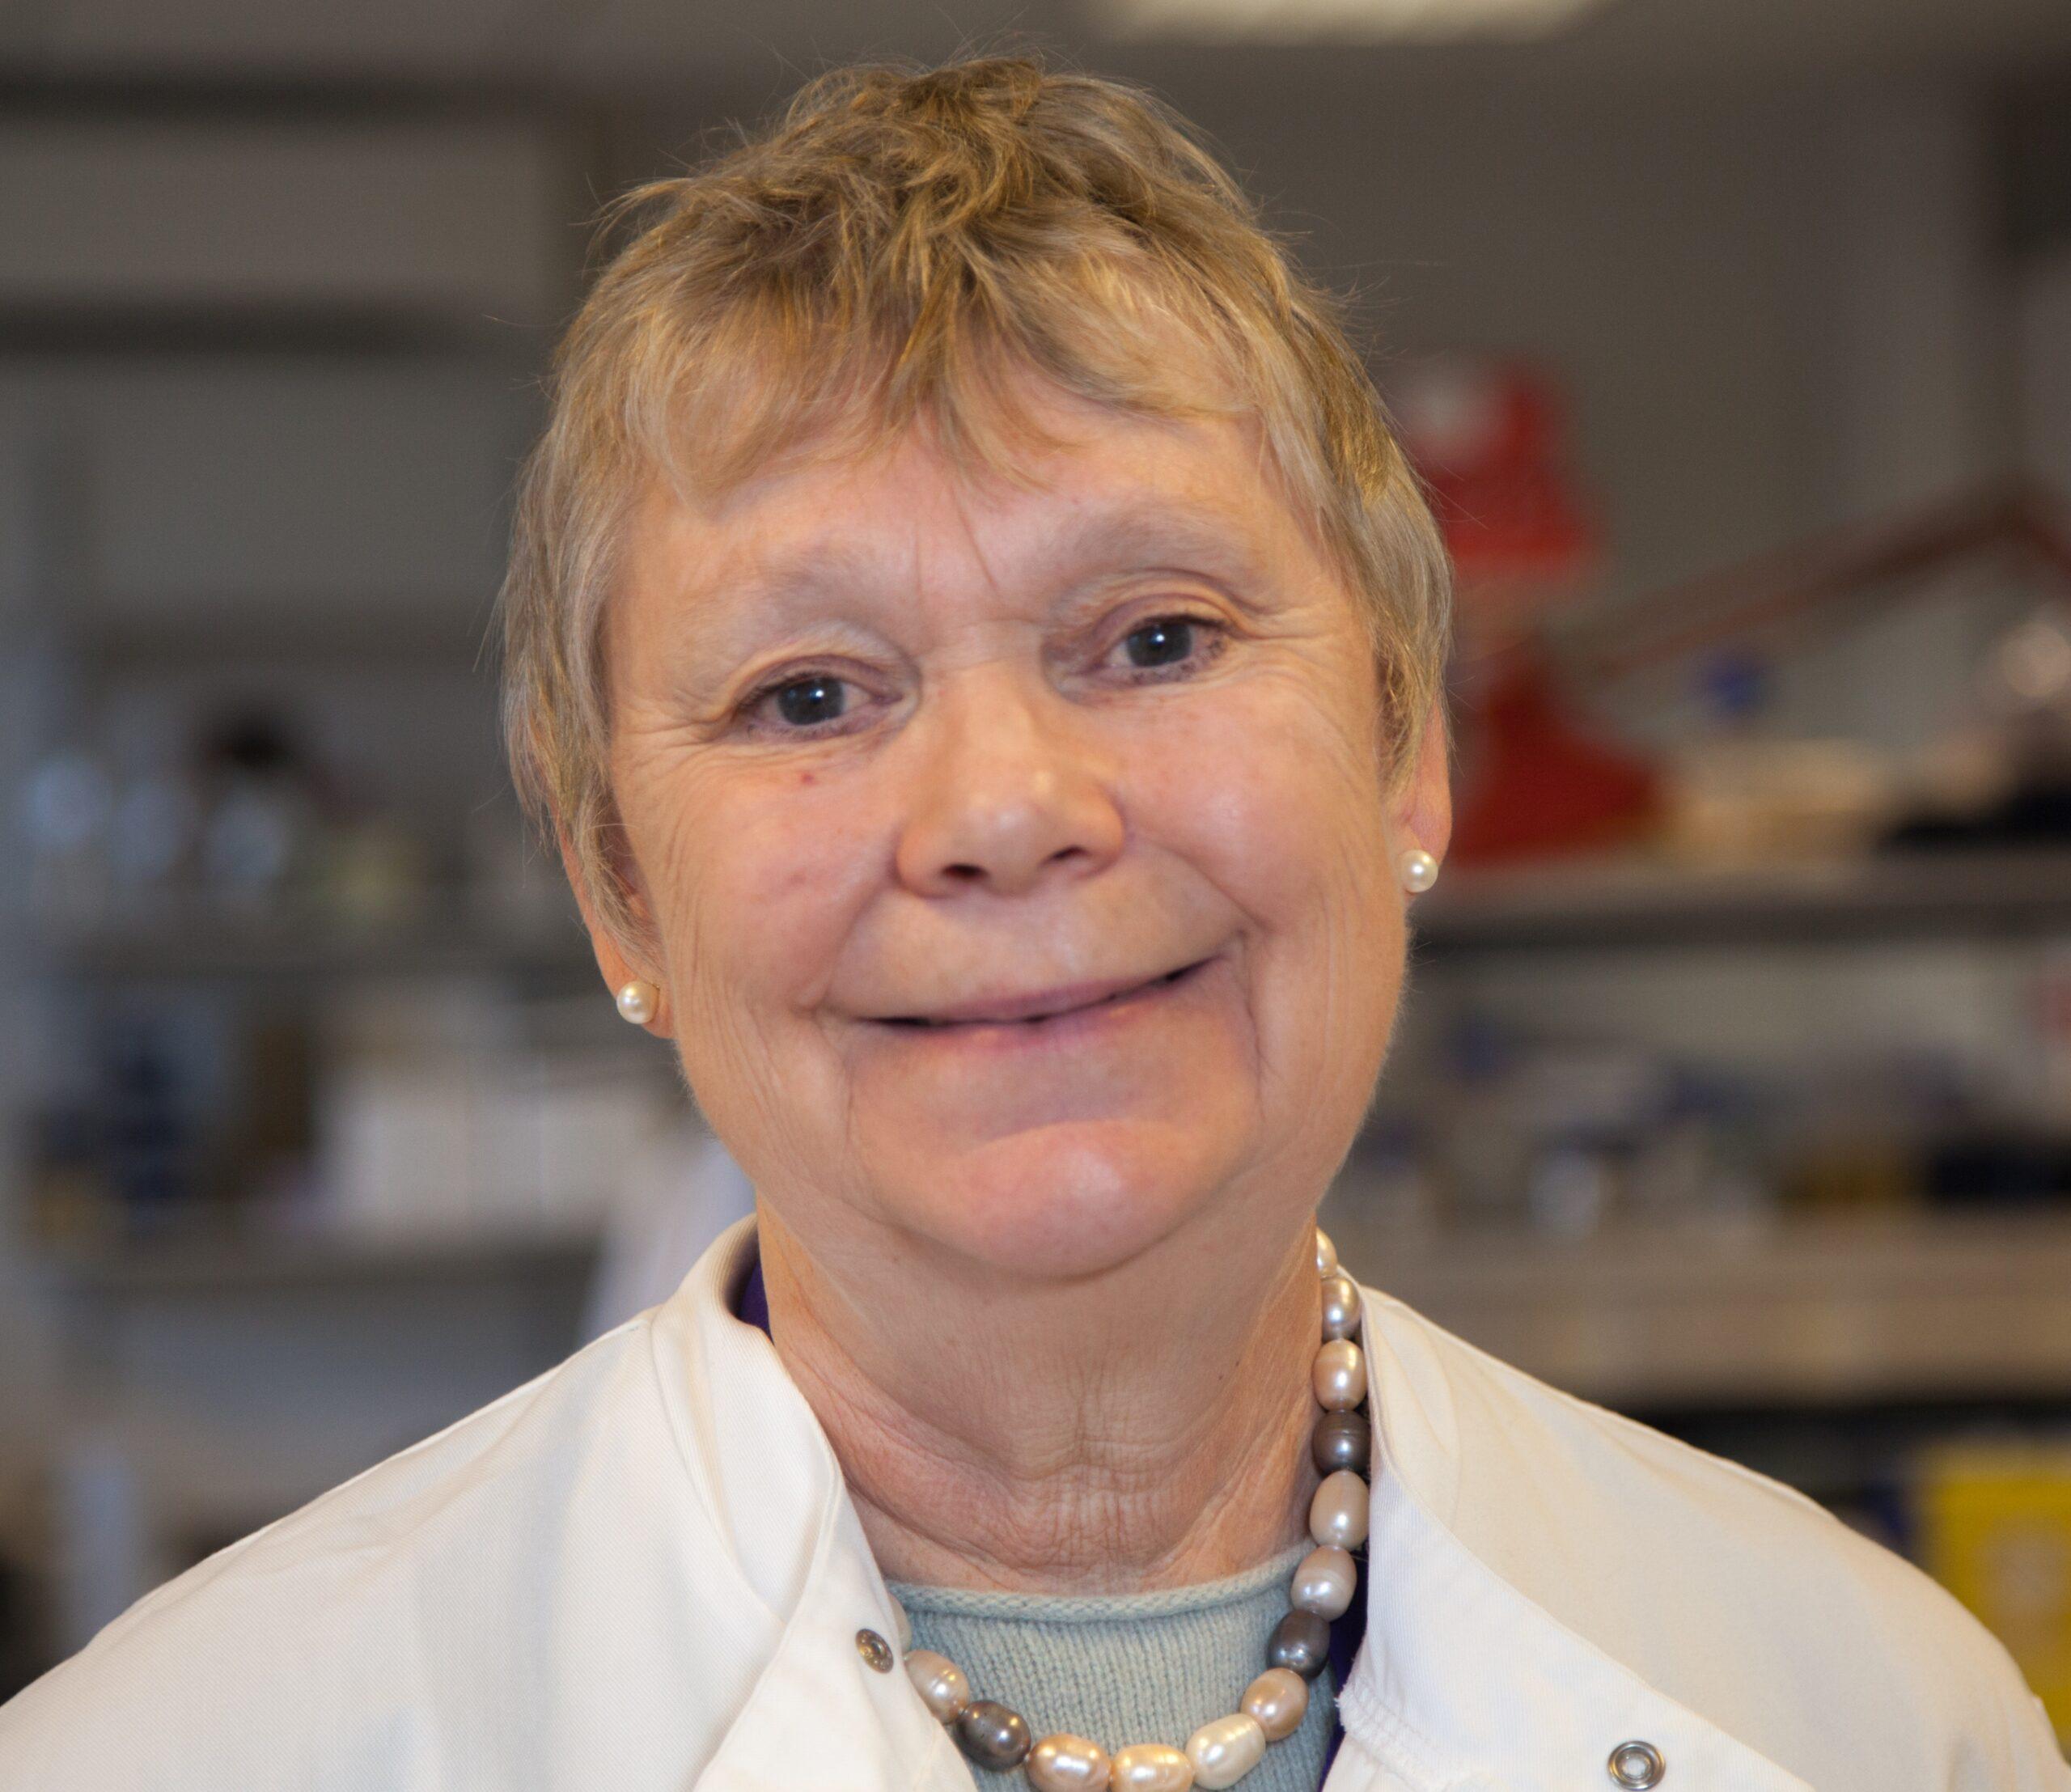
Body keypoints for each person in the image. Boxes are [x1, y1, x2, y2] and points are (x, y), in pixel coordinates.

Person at [2, 53, 2062, 1792]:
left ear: (1404, 756)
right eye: (807, 694)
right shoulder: (186, 1752)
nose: (1002, 811)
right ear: (617, 884)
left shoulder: (1870, 1714)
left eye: (1153, 637)